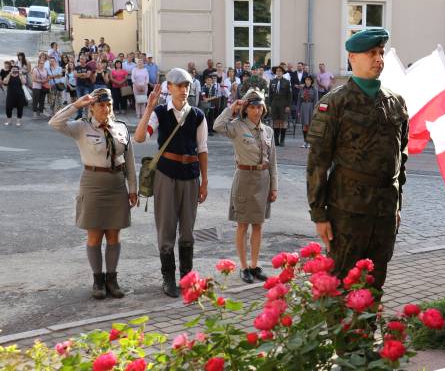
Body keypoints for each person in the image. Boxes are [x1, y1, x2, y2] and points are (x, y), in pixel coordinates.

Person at [306, 28, 408, 293]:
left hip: (385, 210)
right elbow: (318, 162)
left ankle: (368, 333)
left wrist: (397, 204)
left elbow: (401, 156)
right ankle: (342, 336)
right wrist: (319, 214)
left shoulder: (395, 103)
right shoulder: (335, 104)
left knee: (376, 280)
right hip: (347, 210)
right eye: (371, 53)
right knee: (342, 281)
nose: (379, 59)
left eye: (381, 53)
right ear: (352, 57)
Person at [49, 88, 137, 299]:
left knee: (114, 234)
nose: (105, 109)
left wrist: (133, 189)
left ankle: (112, 279)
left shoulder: (121, 128)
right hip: (93, 184)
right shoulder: (81, 127)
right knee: (95, 234)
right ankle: (98, 280)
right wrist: (76, 105)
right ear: (92, 107)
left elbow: (131, 162)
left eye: (108, 105)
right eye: (100, 105)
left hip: (116, 184)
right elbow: (55, 123)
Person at [134, 68, 208, 298]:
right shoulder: (159, 112)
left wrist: (204, 181)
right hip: (166, 174)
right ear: (169, 88)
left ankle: (187, 277)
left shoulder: (197, 115)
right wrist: (148, 108)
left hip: (190, 175)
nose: (184, 90)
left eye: (187, 86)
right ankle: (168, 278)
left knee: (187, 230)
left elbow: (202, 149)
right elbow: (139, 137)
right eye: (179, 86)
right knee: (166, 228)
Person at [213, 90, 277, 284]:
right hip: (244, 177)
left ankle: (255, 265)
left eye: (259, 107)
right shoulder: (237, 126)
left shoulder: (268, 131)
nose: (257, 111)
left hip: (263, 178)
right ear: (245, 109)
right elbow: (217, 125)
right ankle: (243, 267)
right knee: (242, 224)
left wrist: (274, 186)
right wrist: (232, 107)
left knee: (258, 224)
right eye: (252, 107)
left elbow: (273, 161)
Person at [268, 66, 292, 146]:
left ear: (282, 73)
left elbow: (289, 95)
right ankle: (276, 140)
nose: (278, 72)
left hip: (283, 104)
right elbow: (270, 94)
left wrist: (288, 105)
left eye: (280, 71)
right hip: (274, 104)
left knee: (283, 121)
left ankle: (282, 140)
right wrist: (270, 105)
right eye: (277, 71)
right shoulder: (272, 81)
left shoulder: (287, 82)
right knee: (275, 121)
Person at [297, 75, 318, 148]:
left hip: (311, 107)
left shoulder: (314, 89)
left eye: (309, 80)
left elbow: (316, 100)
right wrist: (298, 110)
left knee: (309, 125)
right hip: (303, 106)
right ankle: (304, 141)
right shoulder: (302, 89)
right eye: (306, 80)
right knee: (304, 126)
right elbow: (299, 100)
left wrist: (315, 110)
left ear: (311, 81)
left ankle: (309, 142)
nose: (307, 81)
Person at [74, 55, 93, 119]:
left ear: (85, 60)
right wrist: (83, 74)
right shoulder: (77, 67)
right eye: (81, 59)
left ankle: (87, 115)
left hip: (86, 86)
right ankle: (79, 115)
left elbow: (88, 76)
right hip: (78, 86)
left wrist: (80, 75)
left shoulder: (88, 67)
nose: (82, 60)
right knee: (79, 101)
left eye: (83, 59)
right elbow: (75, 75)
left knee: (86, 101)